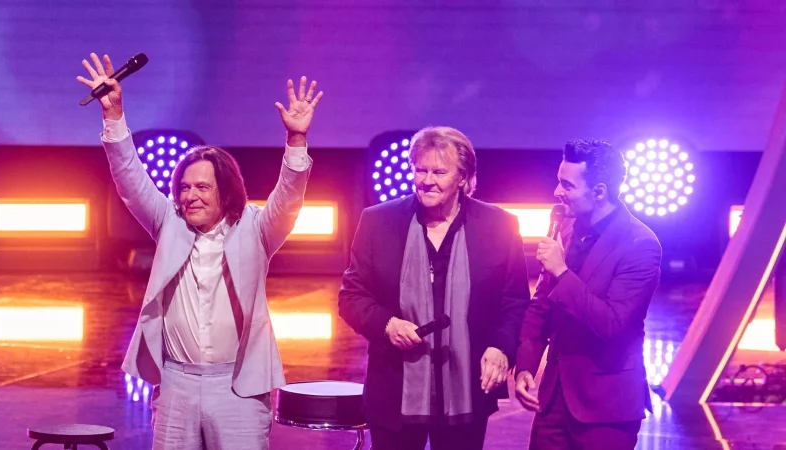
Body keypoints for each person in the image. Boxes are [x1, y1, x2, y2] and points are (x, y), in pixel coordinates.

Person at [77, 52, 323, 450]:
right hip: (177, 384)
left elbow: (290, 199)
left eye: (202, 187)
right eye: (185, 187)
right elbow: (130, 180)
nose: (189, 196)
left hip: (238, 386)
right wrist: (113, 116)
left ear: (226, 193)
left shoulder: (256, 228)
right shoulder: (168, 223)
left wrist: (296, 139)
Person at [338, 126, 530, 450]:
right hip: (395, 392)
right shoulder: (377, 222)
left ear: (464, 177)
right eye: (420, 170)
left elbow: (514, 302)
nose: (427, 180)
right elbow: (351, 297)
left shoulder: (500, 226)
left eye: (439, 171)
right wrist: (387, 325)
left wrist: (501, 348)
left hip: (467, 389)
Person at [514, 139, 662, 450]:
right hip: (553, 399)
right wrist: (526, 363)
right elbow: (542, 303)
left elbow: (611, 323)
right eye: (558, 181)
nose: (557, 192)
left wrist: (562, 273)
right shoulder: (565, 227)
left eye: (567, 185)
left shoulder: (640, 245)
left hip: (605, 406)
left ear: (599, 192)